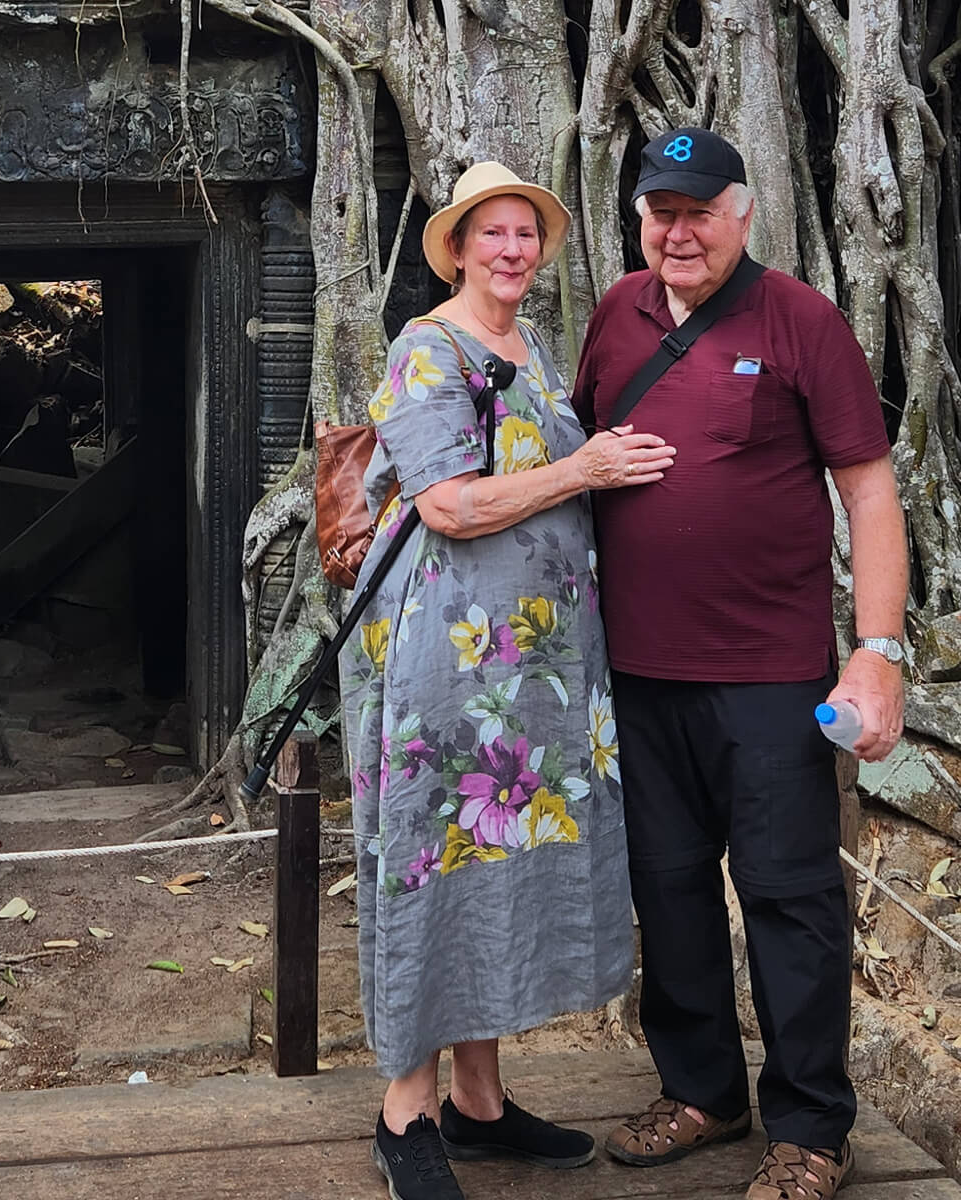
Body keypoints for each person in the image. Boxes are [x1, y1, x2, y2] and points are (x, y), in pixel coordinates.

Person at [572, 128, 908, 1200]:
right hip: (637, 670)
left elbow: (868, 493)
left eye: (698, 211)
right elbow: (576, 465)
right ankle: (703, 1092)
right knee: (667, 889)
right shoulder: (614, 317)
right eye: (659, 212)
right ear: (639, 221)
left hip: (770, 670)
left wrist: (877, 654)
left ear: (742, 215)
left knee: (788, 893)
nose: (678, 232)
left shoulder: (801, 320)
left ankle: (812, 1126)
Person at [339, 162, 675, 1200]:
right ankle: (407, 1112)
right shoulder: (425, 348)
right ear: (458, 247)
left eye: (527, 233)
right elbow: (448, 505)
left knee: (495, 859)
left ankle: (479, 1103)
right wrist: (585, 470)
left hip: (535, 669)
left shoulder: (533, 350)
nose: (513, 250)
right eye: (493, 233)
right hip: (447, 663)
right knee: (433, 860)